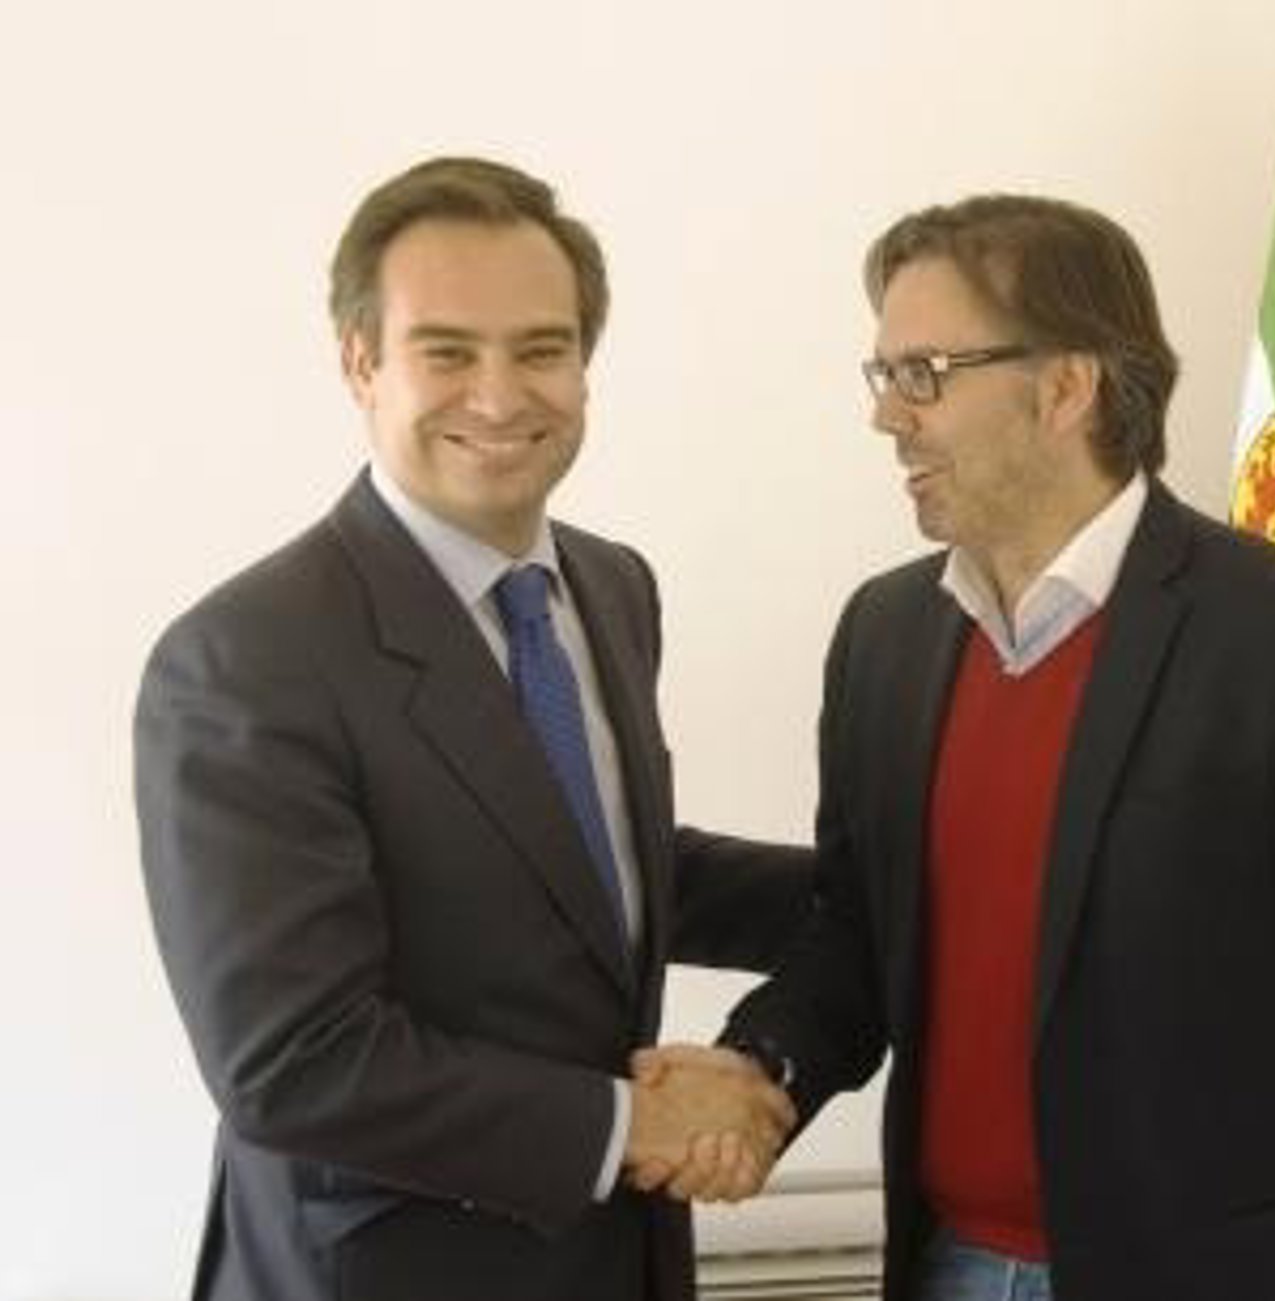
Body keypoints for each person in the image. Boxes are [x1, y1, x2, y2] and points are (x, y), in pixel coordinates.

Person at [685, 195, 1275, 1300]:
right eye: (884, 374)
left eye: (925, 373)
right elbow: (859, 934)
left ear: (1066, 386)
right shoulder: (885, 636)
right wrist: (759, 1067)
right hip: (947, 1270)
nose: (888, 415)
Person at [134, 155, 809, 1301]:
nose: (499, 398)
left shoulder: (612, 586)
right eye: (446, 352)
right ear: (361, 362)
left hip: (619, 1259)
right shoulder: (246, 657)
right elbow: (295, 1060)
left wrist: (895, 888)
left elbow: (585, 869)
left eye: (541, 349)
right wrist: (634, 1120)